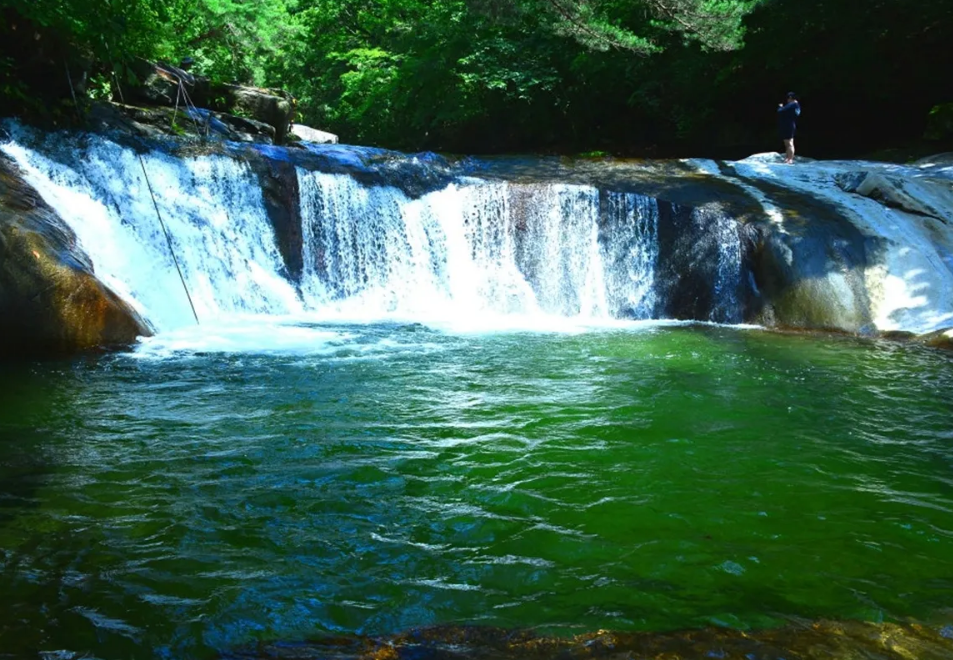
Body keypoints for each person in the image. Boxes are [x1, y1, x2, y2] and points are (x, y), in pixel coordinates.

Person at [777, 92, 801, 164]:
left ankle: (790, 159)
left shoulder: (793, 104)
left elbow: (780, 111)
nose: (787, 100)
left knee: (789, 143)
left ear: (790, 98)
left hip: (788, 125)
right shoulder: (797, 105)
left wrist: (780, 106)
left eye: (788, 98)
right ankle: (788, 158)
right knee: (788, 142)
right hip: (790, 124)